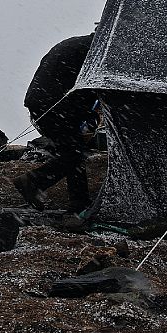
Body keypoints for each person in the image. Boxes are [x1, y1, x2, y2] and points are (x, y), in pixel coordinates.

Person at [14, 32, 98, 213]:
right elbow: (89, 87)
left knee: (72, 151)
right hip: (56, 104)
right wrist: (89, 114)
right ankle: (33, 181)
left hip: (40, 101)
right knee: (74, 154)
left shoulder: (76, 44)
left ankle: (79, 203)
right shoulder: (96, 51)